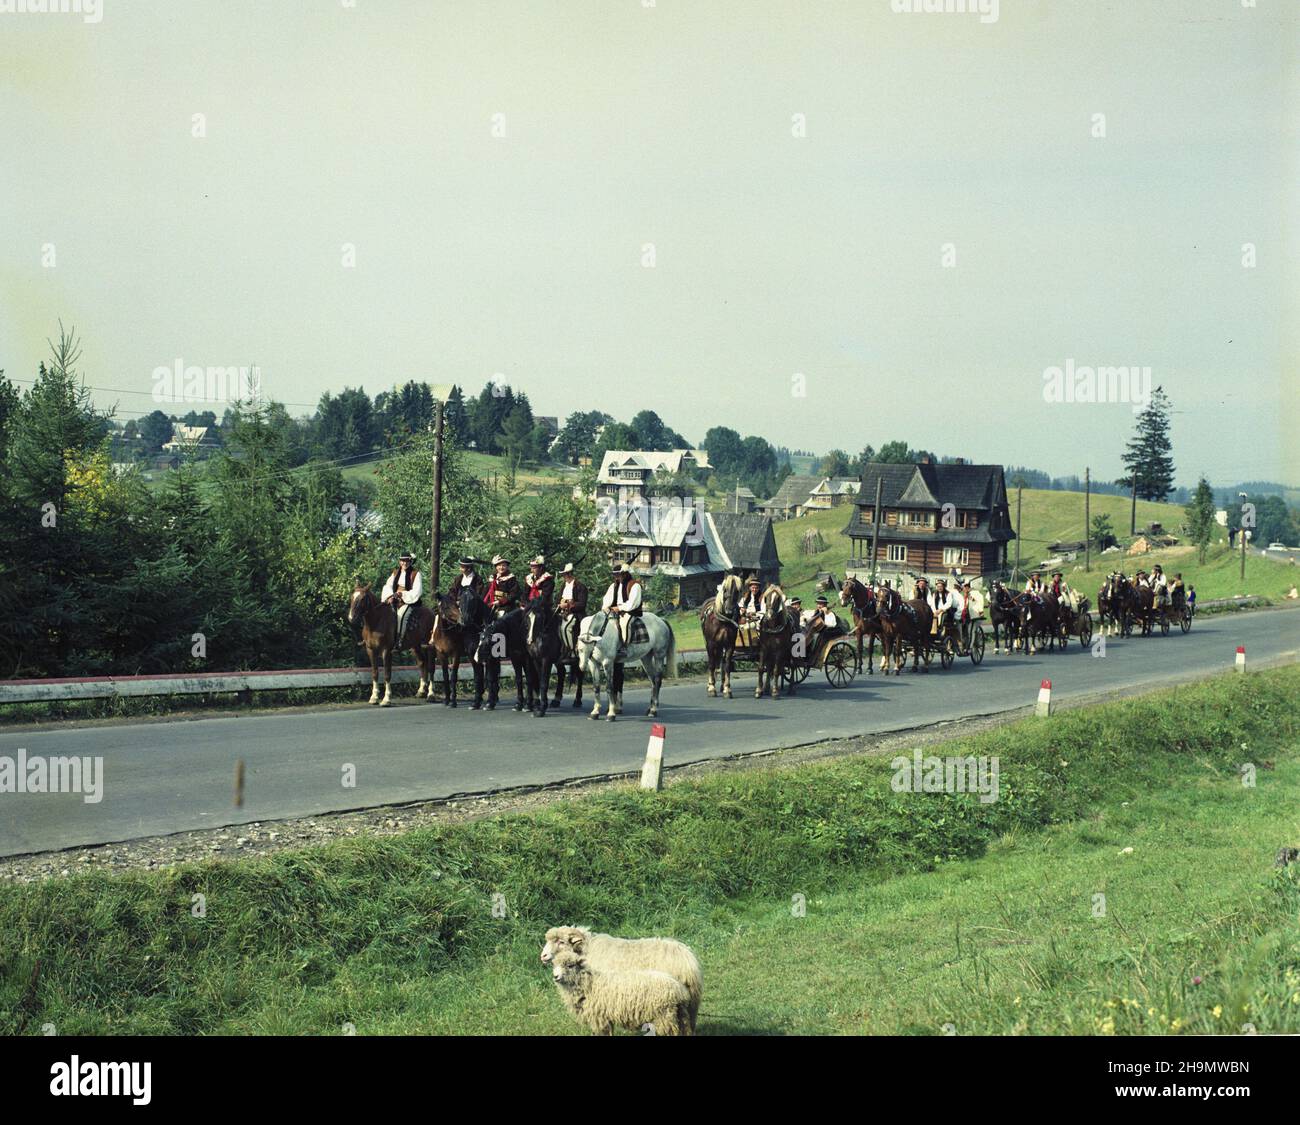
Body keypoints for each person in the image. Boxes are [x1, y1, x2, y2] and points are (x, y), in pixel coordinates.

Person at [382, 550, 423, 647]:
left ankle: (399, 639)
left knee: (401, 616)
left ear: (410, 562)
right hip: (395, 598)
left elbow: (417, 590)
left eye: (406, 561)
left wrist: (402, 594)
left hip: (409, 601)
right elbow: (388, 585)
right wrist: (390, 596)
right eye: (402, 561)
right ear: (399, 561)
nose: (404, 563)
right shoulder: (395, 573)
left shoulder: (415, 574)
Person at [601, 562, 643, 652]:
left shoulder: (635, 585)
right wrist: (605, 607)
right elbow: (607, 598)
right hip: (614, 611)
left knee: (624, 624)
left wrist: (619, 608)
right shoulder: (614, 585)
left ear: (624, 574)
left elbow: (632, 604)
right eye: (615, 575)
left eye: (618, 575)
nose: (616, 577)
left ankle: (624, 646)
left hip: (629, 611)